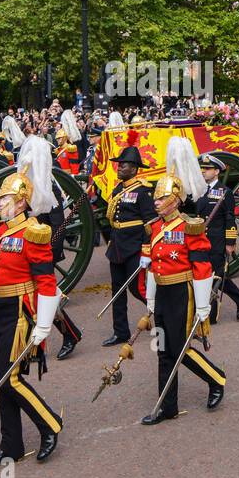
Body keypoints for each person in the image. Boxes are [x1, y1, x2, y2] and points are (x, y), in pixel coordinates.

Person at [0, 168, 64, 463]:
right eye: (0, 199)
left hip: (19, 312)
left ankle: (49, 425)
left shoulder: (34, 231)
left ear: (22, 203)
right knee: (0, 380)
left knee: (9, 379)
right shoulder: (0, 230)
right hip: (1, 309)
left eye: (6, 199)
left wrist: (43, 323)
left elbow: (46, 282)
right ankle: (11, 446)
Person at [140, 137, 226, 423]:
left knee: (177, 348)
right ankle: (168, 406)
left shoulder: (190, 227)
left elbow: (202, 267)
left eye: (161, 198)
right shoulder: (155, 229)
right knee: (163, 349)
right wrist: (150, 300)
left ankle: (216, 379)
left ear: (175, 200)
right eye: (156, 197)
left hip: (183, 293)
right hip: (163, 292)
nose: (156, 202)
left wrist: (203, 307)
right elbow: (154, 266)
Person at [17, 136, 83, 360]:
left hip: (42, 250)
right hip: (25, 249)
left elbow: (58, 225)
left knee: (44, 299)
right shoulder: (26, 182)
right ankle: (35, 341)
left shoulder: (50, 186)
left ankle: (70, 334)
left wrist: (49, 255)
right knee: (30, 298)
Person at [100, 144, 157, 345]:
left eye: (123, 165)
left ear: (134, 168)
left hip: (134, 247)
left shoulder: (143, 191)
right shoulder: (118, 189)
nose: (119, 168)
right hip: (117, 246)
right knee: (117, 290)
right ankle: (120, 332)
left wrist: (146, 250)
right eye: (119, 164)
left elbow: (150, 223)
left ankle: (164, 317)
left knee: (138, 289)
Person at [195, 153, 239, 322]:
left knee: (217, 275)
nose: (203, 172)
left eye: (207, 169)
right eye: (202, 169)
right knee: (206, 275)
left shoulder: (225, 192)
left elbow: (229, 218)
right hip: (201, 240)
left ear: (217, 171)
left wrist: (230, 242)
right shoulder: (199, 190)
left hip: (217, 240)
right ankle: (212, 311)